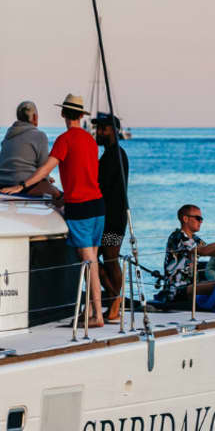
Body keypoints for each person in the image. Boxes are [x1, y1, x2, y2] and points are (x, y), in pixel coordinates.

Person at [1, 93, 105, 327]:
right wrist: (64, 196)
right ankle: (89, 311)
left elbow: (46, 168)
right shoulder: (90, 140)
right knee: (92, 262)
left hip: (80, 209)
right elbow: (86, 174)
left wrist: (23, 185)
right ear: (81, 115)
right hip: (98, 205)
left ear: (62, 114)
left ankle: (97, 315)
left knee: (89, 263)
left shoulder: (64, 140)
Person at [157, 204, 215, 309]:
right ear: (185, 219)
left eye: (201, 219)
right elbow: (203, 251)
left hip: (189, 286)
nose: (201, 221)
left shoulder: (194, 239)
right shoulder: (178, 237)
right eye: (198, 218)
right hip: (176, 290)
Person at [94, 113, 129, 321]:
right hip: (109, 217)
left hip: (113, 219)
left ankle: (115, 300)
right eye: (98, 128)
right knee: (100, 257)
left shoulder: (114, 155)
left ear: (113, 131)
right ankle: (113, 299)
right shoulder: (111, 154)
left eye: (103, 129)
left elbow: (103, 186)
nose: (99, 132)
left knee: (109, 257)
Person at [0, 100, 59, 198]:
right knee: (58, 194)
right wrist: (47, 178)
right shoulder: (39, 135)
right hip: (22, 186)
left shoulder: (9, 134)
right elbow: (43, 168)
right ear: (34, 117)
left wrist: (47, 177)